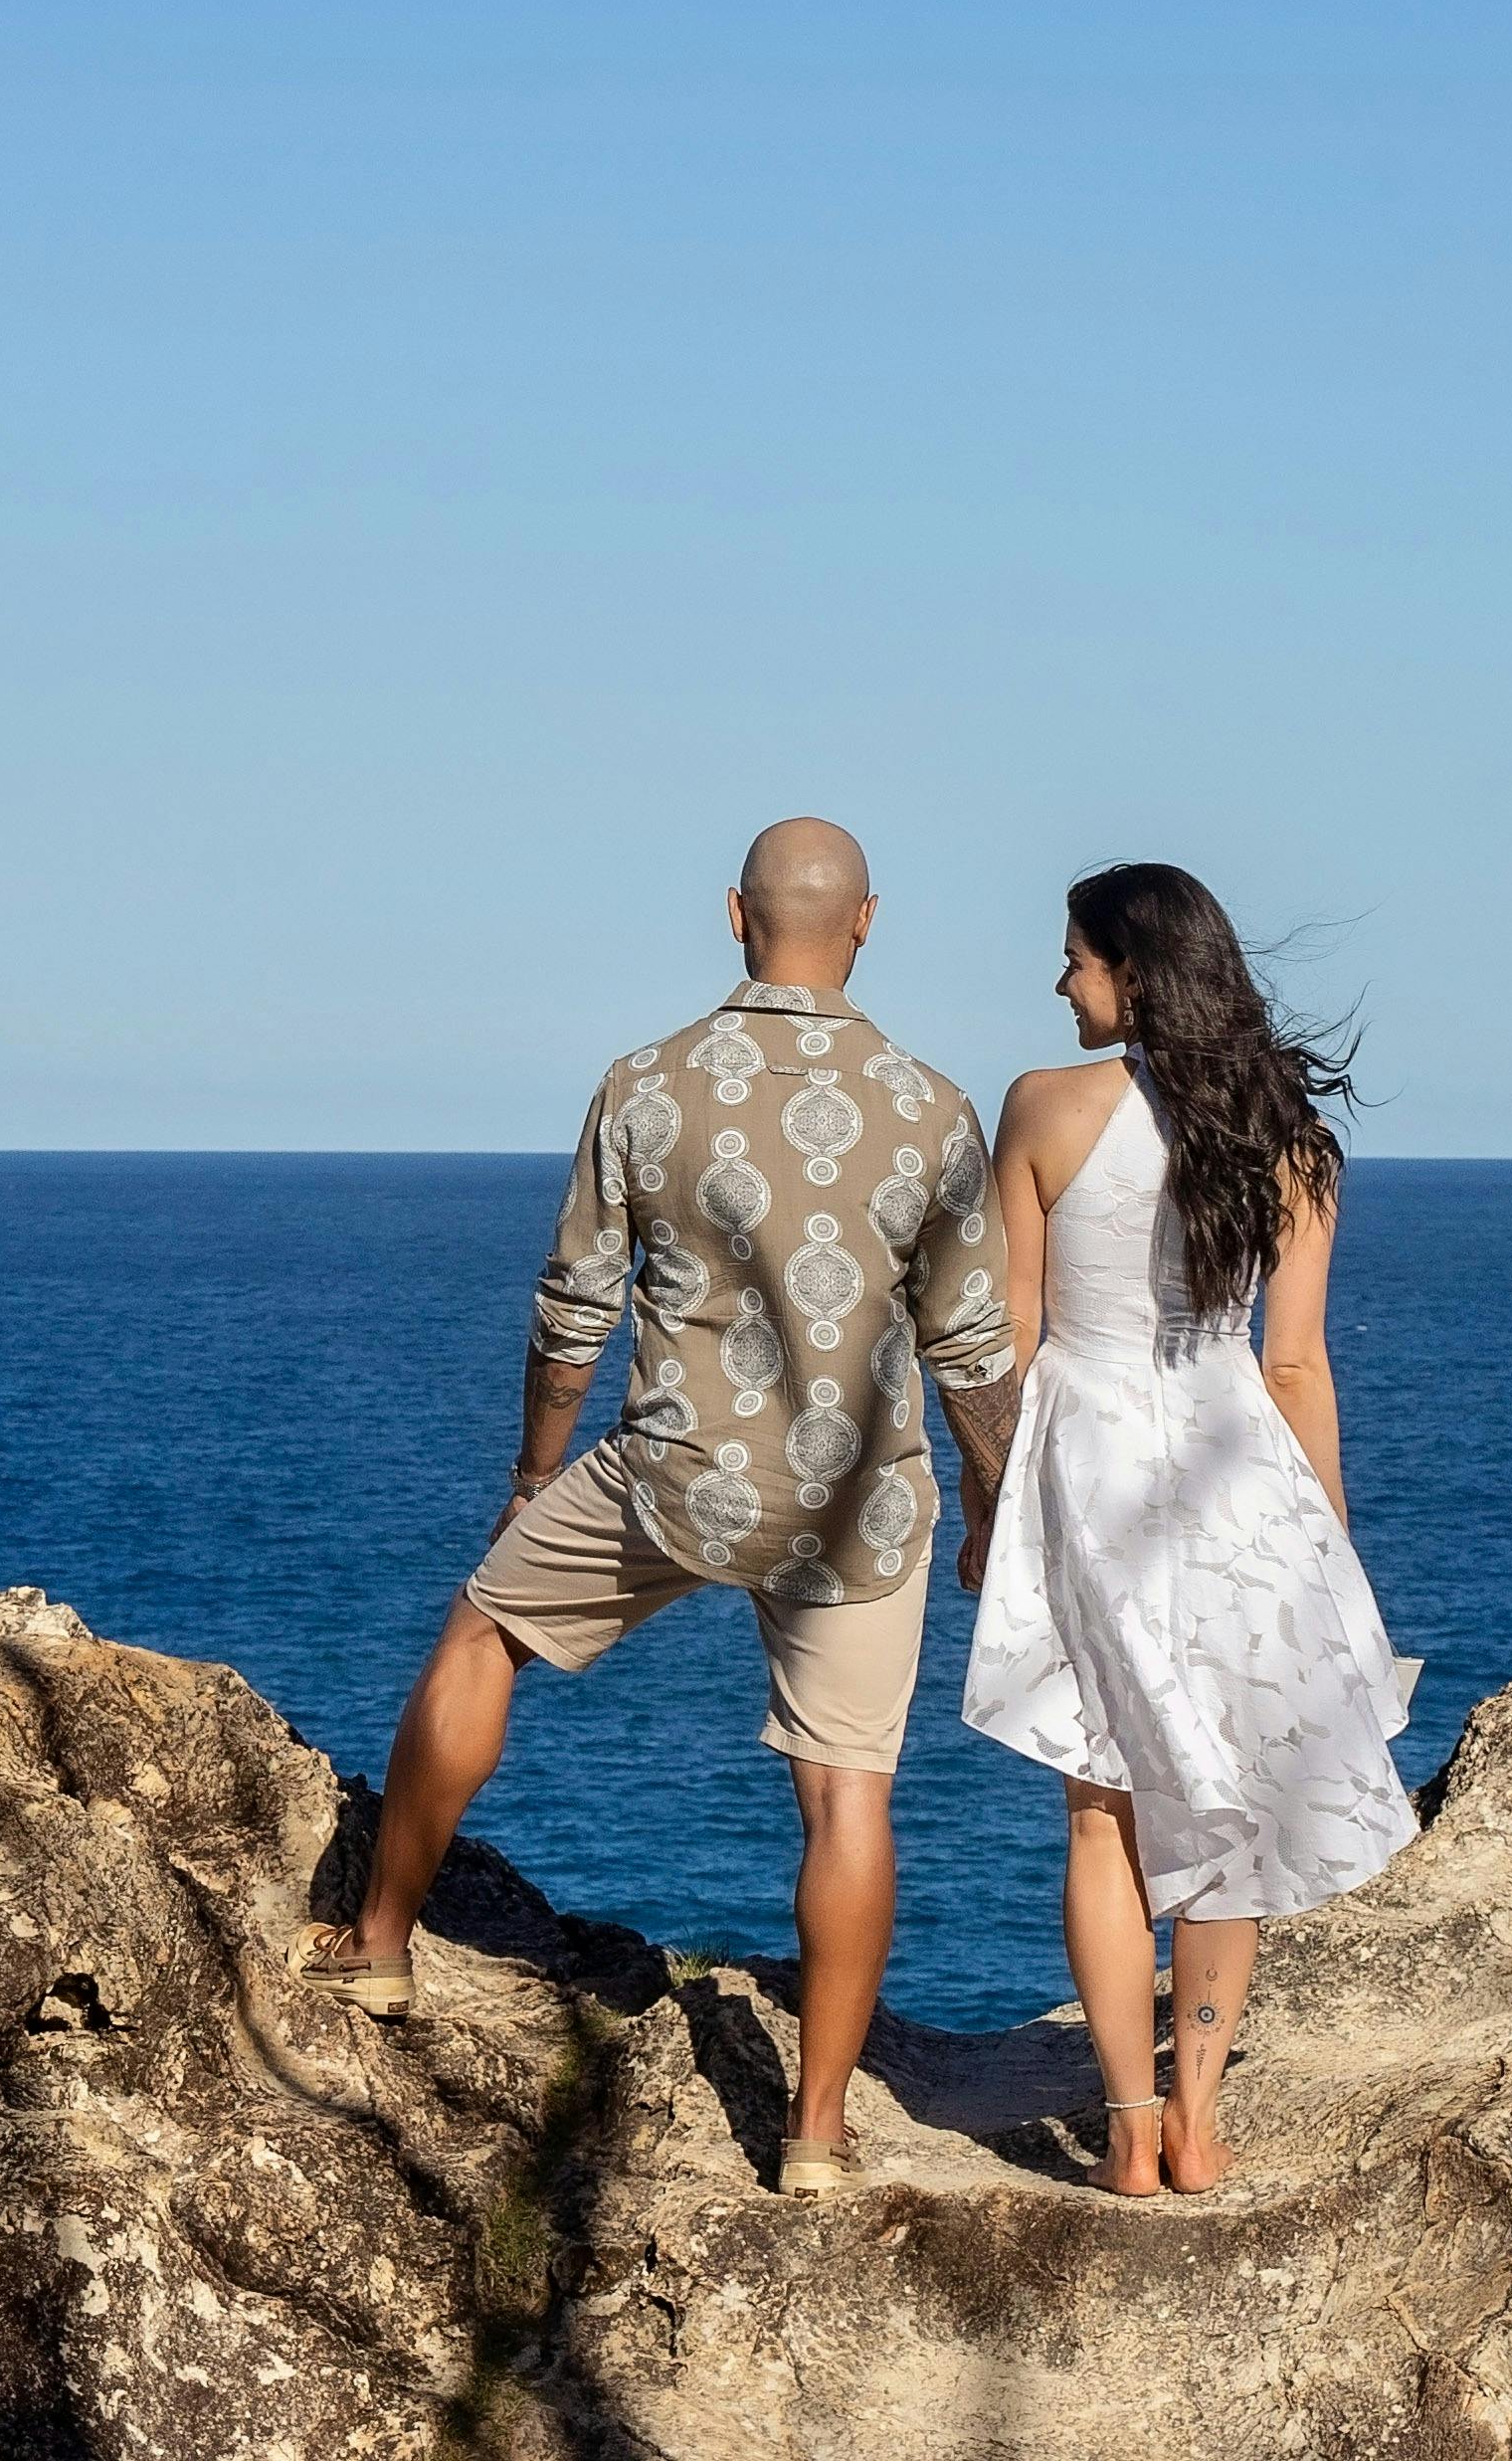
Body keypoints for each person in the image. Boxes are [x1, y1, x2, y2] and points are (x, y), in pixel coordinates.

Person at [300, 815, 1022, 2192]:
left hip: (677, 1473)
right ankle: (813, 2136)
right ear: (867, 921)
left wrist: (531, 1473)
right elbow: (974, 1351)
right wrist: (995, 1504)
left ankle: (380, 1947)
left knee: (480, 1636)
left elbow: (574, 1306)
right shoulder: (932, 1104)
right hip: (862, 1506)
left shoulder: (647, 1084)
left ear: (732, 915)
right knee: (849, 1799)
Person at [957, 858, 1418, 2197]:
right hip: (1239, 1487)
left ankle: (1123, 2122)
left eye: (1077, 959)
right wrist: (1326, 1542)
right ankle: (1201, 2116)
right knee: (1228, 1821)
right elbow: (1293, 1367)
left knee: (1101, 1814)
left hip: (1082, 1477)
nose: (1060, 981)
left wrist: (990, 1514)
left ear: (1136, 969)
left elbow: (1007, 1340)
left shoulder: (1044, 1108)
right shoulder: (1290, 1141)